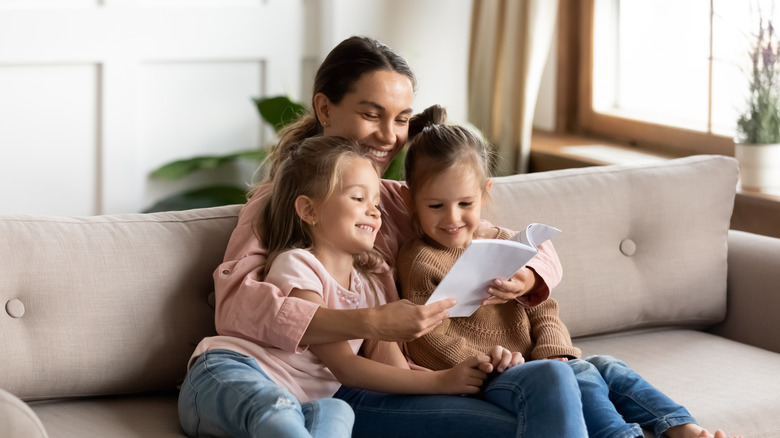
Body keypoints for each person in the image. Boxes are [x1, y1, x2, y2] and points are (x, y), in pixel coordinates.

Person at [180, 36, 588, 437]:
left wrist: (530, 274)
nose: (390, 136)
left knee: (577, 379)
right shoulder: (281, 203)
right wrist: (373, 323)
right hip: (315, 381)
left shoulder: (399, 202)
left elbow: (510, 238)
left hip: (389, 378)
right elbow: (237, 305)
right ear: (325, 108)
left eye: (401, 118)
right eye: (372, 115)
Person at [396, 104, 742, 438]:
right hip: (494, 378)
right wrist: (487, 362)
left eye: (465, 204)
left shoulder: (504, 244)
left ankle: (684, 428)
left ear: (485, 194)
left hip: (539, 365)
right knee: (580, 372)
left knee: (605, 366)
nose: (453, 218)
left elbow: (544, 308)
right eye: (436, 206)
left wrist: (554, 351)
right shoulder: (420, 260)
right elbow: (427, 338)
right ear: (412, 201)